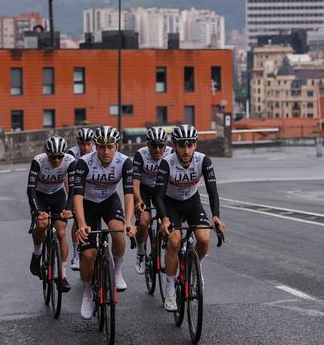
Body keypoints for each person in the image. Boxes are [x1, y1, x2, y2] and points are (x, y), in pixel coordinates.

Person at [154, 124, 227, 312]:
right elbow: (159, 195)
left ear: (195, 145)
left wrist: (216, 217)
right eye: (181, 145)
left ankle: (195, 267)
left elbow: (212, 191)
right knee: (174, 242)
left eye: (190, 145)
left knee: (203, 239)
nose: (186, 150)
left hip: (192, 201)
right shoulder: (166, 163)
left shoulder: (204, 161)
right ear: (175, 145)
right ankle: (170, 289)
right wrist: (164, 219)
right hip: (171, 203)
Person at [72, 126, 136, 319]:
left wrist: (129, 221)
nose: (106, 151)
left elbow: (128, 194)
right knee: (89, 254)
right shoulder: (84, 163)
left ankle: (116, 271)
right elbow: (77, 197)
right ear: (96, 146)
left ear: (116, 146)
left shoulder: (124, 162)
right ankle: (87, 292)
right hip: (88, 204)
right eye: (101, 147)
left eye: (110, 147)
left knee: (118, 232)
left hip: (109, 200)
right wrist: (81, 224)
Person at [27, 135, 75, 291]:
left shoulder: (70, 161)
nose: (57, 161)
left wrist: (68, 209)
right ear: (47, 154)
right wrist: (37, 211)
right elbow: (30, 189)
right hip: (39, 196)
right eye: (53, 157)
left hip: (57, 195)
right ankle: (37, 253)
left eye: (60, 157)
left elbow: (74, 189)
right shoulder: (38, 161)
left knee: (61, 232)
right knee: (42, 224)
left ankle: (62, 275)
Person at [131, 127, 172, 274]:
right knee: (143, 221)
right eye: (153, 145)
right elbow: (134, 183)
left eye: (161, 145)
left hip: (162, 189)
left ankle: (167, 251)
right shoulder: (140, 155)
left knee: (170, 220)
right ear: (148, 145)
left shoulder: (171, 154)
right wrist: (138, 200)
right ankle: (141, 251)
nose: (158, 149)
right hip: (145, 189)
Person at [66, 128, 96, 271]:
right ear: (78, 143)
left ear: (93, 143)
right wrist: (72, 199)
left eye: (88, 144)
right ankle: (76, 252)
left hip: (93, 187)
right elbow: (68, 179)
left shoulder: (98, 151)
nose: (85, 147)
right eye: (82, 144)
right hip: (77, 188)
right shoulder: (72, 154)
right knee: (78, 220)